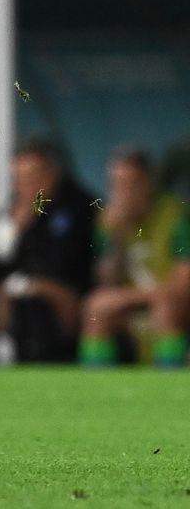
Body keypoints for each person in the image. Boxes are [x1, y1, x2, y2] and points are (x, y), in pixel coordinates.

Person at [0, 139, 96, 363]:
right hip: (17, 291)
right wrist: (15, 230)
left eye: (33, 178)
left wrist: (28, 284)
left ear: (52, 174)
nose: (26, 187)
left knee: (34, 303)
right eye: (20, 180)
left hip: (70, 293)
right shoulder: (13, 211)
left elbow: (67, 265)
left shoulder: (78, 205)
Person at [79, 147, 190, 367]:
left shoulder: (175, 214)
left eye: (132, 182)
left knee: (166, 305)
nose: (125, 192)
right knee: (97, 307)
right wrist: (116, 238)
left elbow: (182, 283)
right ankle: (95, 391)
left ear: (149, 182)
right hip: (136, 300)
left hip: (172, 301)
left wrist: (134, 296)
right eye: (117, 184)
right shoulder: (109, 221)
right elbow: (108, 282)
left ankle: (169, 386)